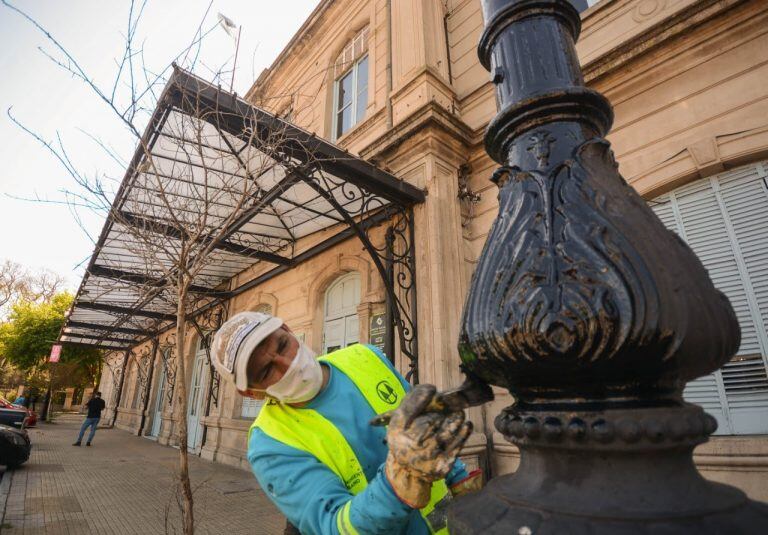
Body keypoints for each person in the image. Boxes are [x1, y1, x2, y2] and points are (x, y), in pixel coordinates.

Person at [212, 311, 482, 535]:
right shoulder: (269, 445)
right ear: (250, 392)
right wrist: (401, 478)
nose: (289, 364)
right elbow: (334, 526)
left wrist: (465, 488)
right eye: (267, 370)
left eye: (283, 345)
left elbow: (429, 430)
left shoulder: (365, 357)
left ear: (288, 328)